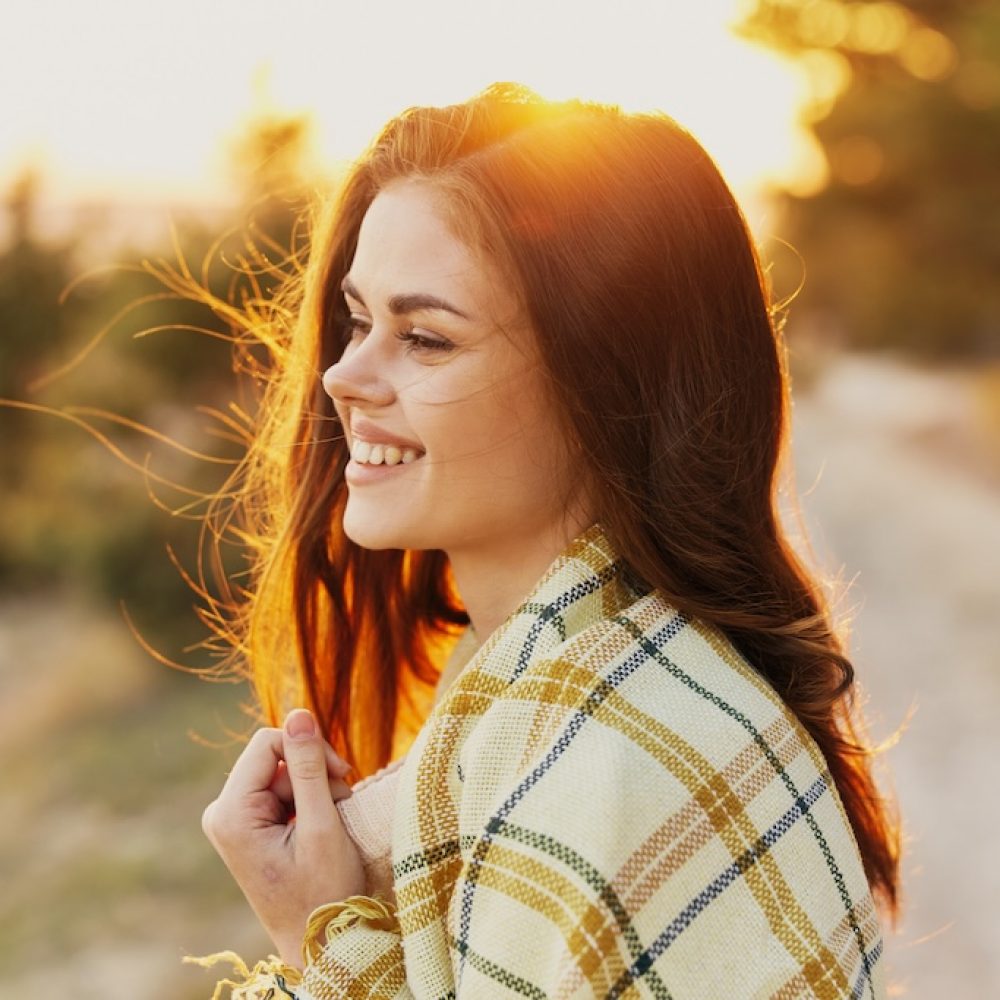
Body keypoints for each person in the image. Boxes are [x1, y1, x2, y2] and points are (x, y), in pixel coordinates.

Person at [195, 83, 898, 998]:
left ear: (602, 384)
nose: (341, 373)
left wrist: (323, 941)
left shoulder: (607, 772)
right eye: (360, 320)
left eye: (427, 338)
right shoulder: (541, 702)